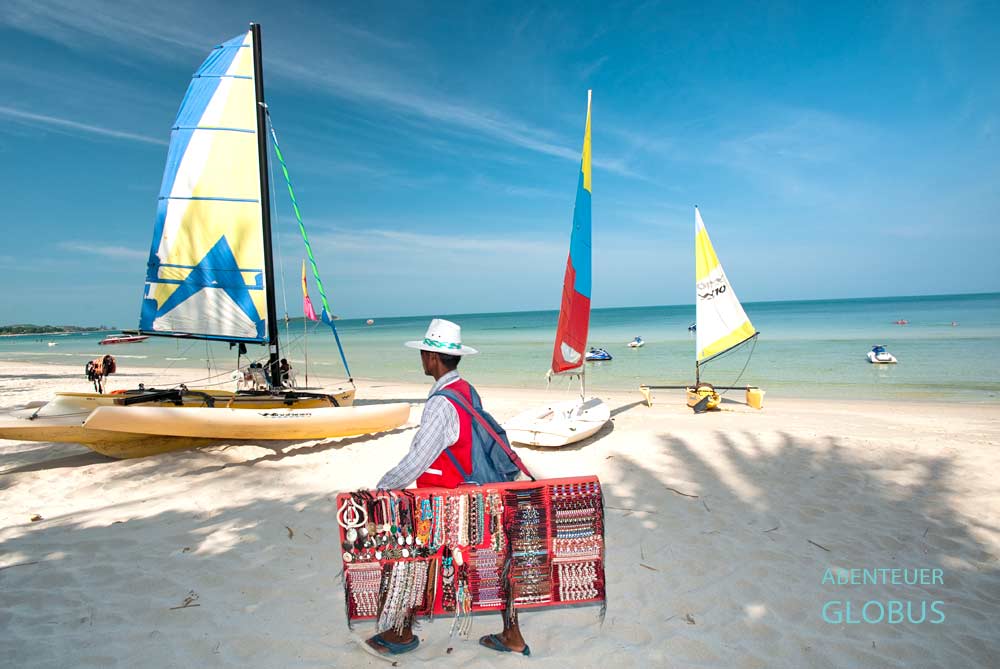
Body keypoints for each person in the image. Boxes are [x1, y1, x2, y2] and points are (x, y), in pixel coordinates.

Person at [368, 318, 530, 658]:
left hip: (450, 498)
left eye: (425, 354)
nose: (423, 360)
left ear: (432, 358)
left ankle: (402, 632)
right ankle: (512, 634)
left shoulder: (442, 403)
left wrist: (381, 488)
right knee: (493, 559)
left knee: (416, 557)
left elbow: (418, 459)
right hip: (480, 490)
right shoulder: (466, 390)